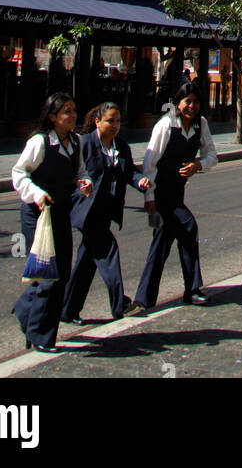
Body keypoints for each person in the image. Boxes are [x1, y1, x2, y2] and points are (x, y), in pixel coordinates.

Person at [11, 92, 92, 353]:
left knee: (61, 274)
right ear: (52, 116)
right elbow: (19, 173)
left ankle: (25, 311)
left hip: (60, 213)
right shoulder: (40, 142)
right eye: (66, 111)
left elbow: (80, 171)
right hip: (37, 215)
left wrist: (85, 182)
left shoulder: (76, 142)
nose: (72, 115)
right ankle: (41, 336)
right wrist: (36, 193)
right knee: (47, 273)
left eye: (74, 110)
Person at [127, 82, 218, 313]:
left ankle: (145, 298)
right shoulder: (166, 125)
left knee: (163, 242)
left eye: (196, 102)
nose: (192, 106)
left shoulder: (201, 124)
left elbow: (212, 155)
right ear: (178, 103)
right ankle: (191, 288)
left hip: (177, 191)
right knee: (185, 228)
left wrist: (198, 165)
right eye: (187, 101)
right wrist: (149, 197)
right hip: (159, 193)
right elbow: (150, 162)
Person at [61, 101, 151, 325]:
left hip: (106, 210)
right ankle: (119, 303)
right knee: (108, 251)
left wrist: (141, 182)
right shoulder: (85, 145)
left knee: (87, 262)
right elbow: (71, 175)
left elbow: (129, 172)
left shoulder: (121, 146)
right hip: (88, 211)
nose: (115, 125)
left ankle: (67, 309)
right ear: (97, 122)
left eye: (118, 121)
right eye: (110, 121)